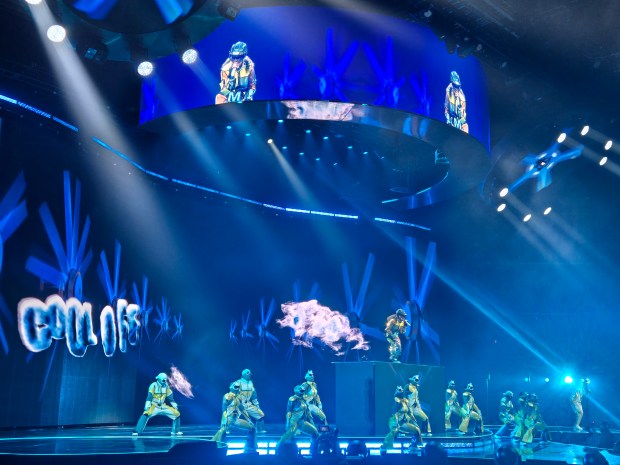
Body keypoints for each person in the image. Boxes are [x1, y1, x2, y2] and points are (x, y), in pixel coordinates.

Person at [212, 381, 256, 451]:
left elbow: (243, 410)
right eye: (235, 386)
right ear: (230, 387)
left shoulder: (238, 399)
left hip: (236, 420)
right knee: (221, 431)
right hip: (229, 419)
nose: (237, 388)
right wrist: (224, 421)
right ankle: (216, 446)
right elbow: (224, 410)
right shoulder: (227, 396)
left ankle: (250, 445)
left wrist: (249, 420)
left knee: (253, 427)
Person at [380, 386, 424, 454]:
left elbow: (409, 413)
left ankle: (413, 445)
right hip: (394, 420)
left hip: (403, 422)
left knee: (416, 429)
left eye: (401, 390)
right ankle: (384, 446)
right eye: (399, 390)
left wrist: (414, 420)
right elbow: (396, 414)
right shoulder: (396, 401)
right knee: (394, 430)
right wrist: (396, 422)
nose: (401, 391)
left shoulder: (405, 402)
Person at [232, 368, 267, 433]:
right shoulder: (238, 382)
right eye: (248, 374)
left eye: (250, 374)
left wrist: (257, 405)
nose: (249, 375)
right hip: (238, 405)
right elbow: (232, 392)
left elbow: (254, 395)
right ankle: (227, 430)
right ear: (243, 375)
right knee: (232, 418)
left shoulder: (251, 383)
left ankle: (259, 430)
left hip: (247, 404)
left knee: (261, 415)